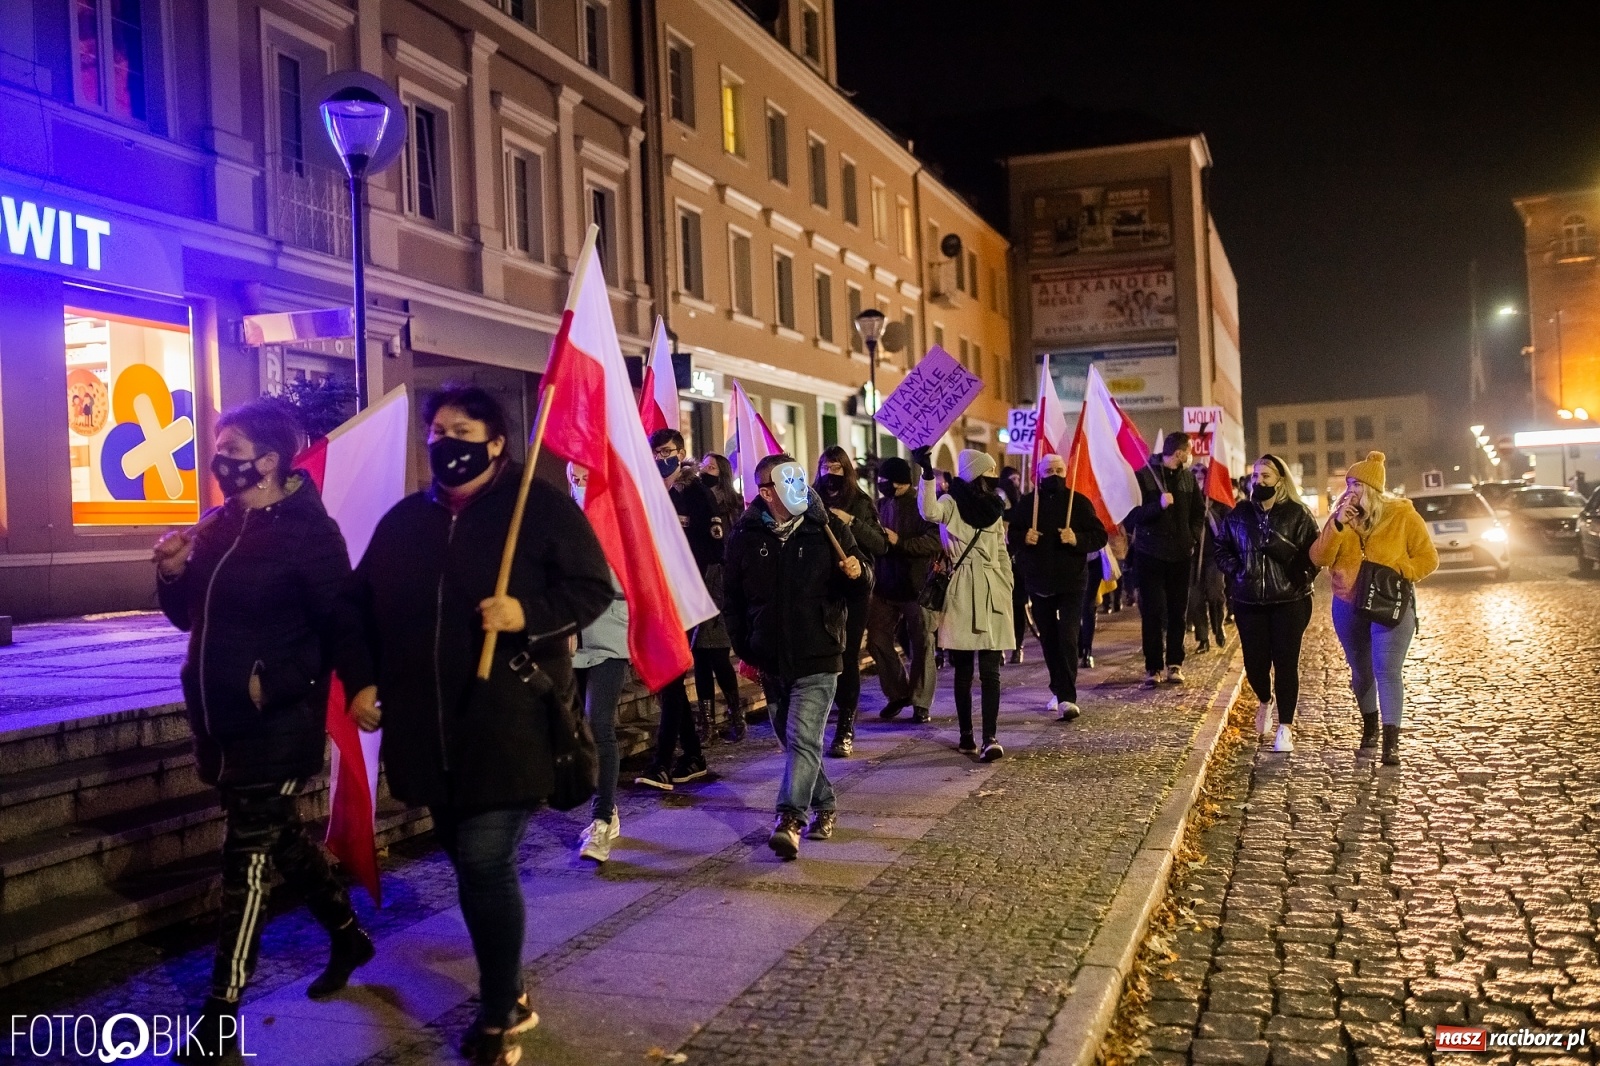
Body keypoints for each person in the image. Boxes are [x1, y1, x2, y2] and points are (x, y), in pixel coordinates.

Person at [339, 386, 611, 1065]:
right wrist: (363, 677)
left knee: (486, 863)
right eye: (437, 429)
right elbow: (358, 607)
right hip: (428, 728)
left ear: (495, 444)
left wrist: (526, 614)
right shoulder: (405, 522)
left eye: (463, 430)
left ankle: (497, 1013)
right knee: (467, 864)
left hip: (508, 722)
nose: (446, 441)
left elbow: (591, 587)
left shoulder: (537, 509)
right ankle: (511, 986)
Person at [154, 400, 374, 1061]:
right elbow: (188, 617)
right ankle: (346, 935)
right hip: (220, 719)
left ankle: (220, 1016)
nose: (220, 459)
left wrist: (359, 684)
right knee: (280, 838)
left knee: (244, 859)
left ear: (269, 462)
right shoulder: (220, 525)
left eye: (231, 448)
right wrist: (169, 574)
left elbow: (343, 621)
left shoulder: (311, 534)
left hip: (280, 716)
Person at [723, 454, 871, 859]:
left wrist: (859, 573)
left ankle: (790, 820)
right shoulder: (746, 535)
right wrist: (745, 644)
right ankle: (825, 802)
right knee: (794, 743)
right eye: (785, 481)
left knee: (804, 737)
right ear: (765, 492)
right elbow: (732, 599)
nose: (799, 487)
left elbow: (861, 585)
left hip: (818, 655)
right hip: (770, 660)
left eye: (800, 479)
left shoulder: (826, 528)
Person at [1309, 451, 1438, 766]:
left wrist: (1400, 569)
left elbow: (1428, 558)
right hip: (1349, 602)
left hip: (1390, 604)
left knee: (1387, 670)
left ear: (1372, 488)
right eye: (1348, 483)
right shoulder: (1341, 517)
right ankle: (1370, 727)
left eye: (1357, 484)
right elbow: (1319, 558)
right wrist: (1337, 524)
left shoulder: (1403, 516)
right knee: (1361, 671)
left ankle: (1391, 742)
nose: (1350, 490)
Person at [912, 446, 1015, 761]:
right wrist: (928, 474)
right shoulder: (950, 503)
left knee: (990, 669)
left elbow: (1000, 549)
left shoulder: (993, 507)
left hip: (991, 588)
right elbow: (928, 511)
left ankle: (990, 737)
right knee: (963, 670)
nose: (990, 480)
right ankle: (967, 734)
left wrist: (1006, 583)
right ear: (977, 475)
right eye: (986, 474)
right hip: (961, 587)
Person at [1214, 455, 1319, 753]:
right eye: (1256, 475)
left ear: (1280, 481)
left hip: (1290, 600)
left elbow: (1316, 552)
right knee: (1255, 664)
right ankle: (1265, 700)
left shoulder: (1298, 514)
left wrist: (1303, 574)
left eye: (1266, 476)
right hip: (1248, 601)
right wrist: (1237, 570)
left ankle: (1285, 727)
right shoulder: (1239, 514)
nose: (1259, 481)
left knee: (1286, 664)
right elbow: (1221, 548)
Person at [636, 428, 720, 787]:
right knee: (668, 677)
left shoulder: (696, 493)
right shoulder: (652, 493)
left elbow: (714, 549)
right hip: (657, 594)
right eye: (655, 453)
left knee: (670, 674)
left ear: (681, 452)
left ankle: (661, 763)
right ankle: (694, 756)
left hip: (683, 595)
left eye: (667, 451)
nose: (660, 458)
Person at [1008, 453, 1108, 721]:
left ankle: (1067, 696)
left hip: (1072, 581)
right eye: (1049, 470)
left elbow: (1100, 536)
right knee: (1049, 639)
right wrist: (1022, 536)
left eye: (1059, 470)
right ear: (1039, 474)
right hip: (1039, 581)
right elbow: (1011, 534)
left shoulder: (1079, 503)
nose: (1054, 475)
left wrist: (1076, 538)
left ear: (1066, 473)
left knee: (1068, 635)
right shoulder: (1029, 504)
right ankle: (1058, 686)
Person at [567, 463, 628, 863]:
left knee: (598, 721)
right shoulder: (562, 518)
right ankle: (604, 805)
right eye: (574, 473)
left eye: (587, 472)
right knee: (573, 727)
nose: (580, 479)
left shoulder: (619, 517)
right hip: (568, 642)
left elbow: (629, 579)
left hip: (609, 636)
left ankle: (602, 818)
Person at [815, 446, 886, 756]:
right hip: (821, 589)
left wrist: (851, 521)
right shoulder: (811, 501)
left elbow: (880, 544)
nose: (831, 474)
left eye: (837, 468)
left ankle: (846, 725)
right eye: (825, 468)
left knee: (848, 656)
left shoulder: (860, 502)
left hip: (855, 589)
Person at [867, 456, 943, 725]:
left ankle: (921, 701)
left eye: (888, 483)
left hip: (917, 587)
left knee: (923, 643)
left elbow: (934, 541)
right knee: (876, 639)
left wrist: (901, 542)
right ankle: (898, 693)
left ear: (902, 483)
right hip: (886, 585)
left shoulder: (921, 506)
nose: (884, 487)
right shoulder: (881, 504)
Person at [1129, 433, 1204, 687]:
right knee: (1153, 612)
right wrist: (1157, 506)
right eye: (1189, 450)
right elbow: (1133, 516)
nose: (1190, 454)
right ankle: (1153, 667)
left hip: (1180, 556)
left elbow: (1198, 511)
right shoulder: (1145, 475)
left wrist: (1192, 537)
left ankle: (1175, 663)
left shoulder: (1187, 477)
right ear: (1180, 453)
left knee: (1177, 612)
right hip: (1150, 554)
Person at [693, 452, 746, 741]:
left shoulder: (732, 507)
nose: (705, 470)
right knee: (700, 656)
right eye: (702, 465)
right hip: (697, 583)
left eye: (711, 467)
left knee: (717, 655)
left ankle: (735, 713)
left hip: (721, 588)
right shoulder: (695, 499)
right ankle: (707, 722)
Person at [1189, 481, 1230, 654]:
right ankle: (1203, 638)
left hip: (1214, 558)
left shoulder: (1221, 504)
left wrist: (1209, 515)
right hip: (1193, 558)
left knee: (1215, 595)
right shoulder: (1191, 501)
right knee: (1195, 599)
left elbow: (1224, 530)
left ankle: (1218, 626)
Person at [999, 466, 1029, 663]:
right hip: (1000, 556)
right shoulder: (1000, 496)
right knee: (1001, 606)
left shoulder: (1022, 501)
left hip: (1017, 559)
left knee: (1018, 605)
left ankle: (1017, 646)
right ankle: (1001, 647)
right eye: (1013, 479)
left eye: (1018, 479)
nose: (1016, 483)